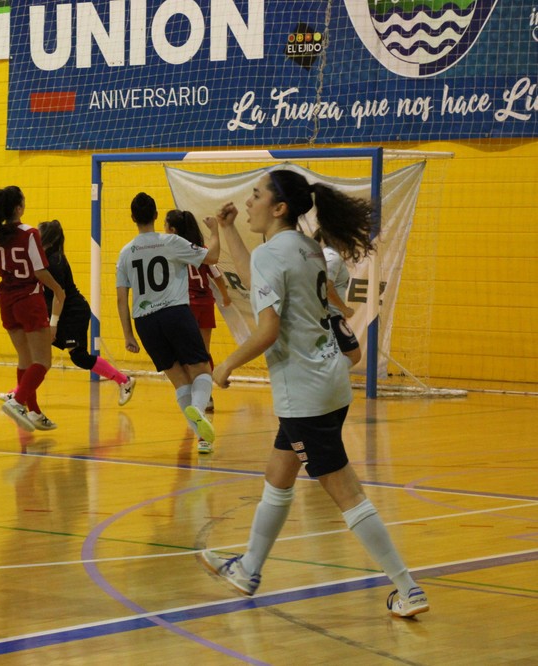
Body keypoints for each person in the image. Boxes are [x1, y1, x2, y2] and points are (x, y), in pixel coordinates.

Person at [199, 169, 428, 618]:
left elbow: (267, 328)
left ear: (279, 207)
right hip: (328, 382)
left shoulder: (277, 253)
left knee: (346, 493)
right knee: (278, 474)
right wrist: (225, 232)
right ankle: (247, 569)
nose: (248, 202)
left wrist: (225, 364)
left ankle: (408, 587)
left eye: (256, 195)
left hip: (303, 391)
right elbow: (257, 274)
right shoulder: (306, 249)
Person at [116, 193, 221, 454]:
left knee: (180, 382)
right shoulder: (172, 241)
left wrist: (128, 335)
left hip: (145, 323)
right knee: (202, 371)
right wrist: (216, 230)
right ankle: (199, 413)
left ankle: (203, 439)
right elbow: (213, 258)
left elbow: (121, 298)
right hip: (174, 314)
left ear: (132, 218)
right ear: (155, 215)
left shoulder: (125, 253)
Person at [0, 219, 136, 406]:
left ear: (46, 237)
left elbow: (58, 296)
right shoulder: (41, 258)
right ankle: (19, 393)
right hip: (59, 312)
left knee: (78, 357)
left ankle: (124, 381)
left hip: (72, 313)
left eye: (38, 234)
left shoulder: (55, 261)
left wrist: (53, 324)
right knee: (36, 352)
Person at [0, 186, 66, 432]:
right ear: (18, 208)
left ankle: (34, 412)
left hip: (7, 301)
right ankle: (17, 402)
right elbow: (39, 271)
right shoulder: (29, 233)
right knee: (43, 361)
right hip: (29, 299)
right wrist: (58, 289)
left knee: (25, 358)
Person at [163, 210, 233, 413]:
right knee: (204, 352)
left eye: (165, 226)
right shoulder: (201, 250)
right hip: (206, 304)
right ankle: (207, 397)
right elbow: (217, 275)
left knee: (186, 354)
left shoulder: (175, 250)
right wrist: (225, 296)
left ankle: (194, 396)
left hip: (188, 305)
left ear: (173, 230)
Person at [315, 228, 361, 367]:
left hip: (330, 315)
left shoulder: (328, 255)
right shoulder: (332, 256)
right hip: (331, 316)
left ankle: (325, 381)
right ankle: (324, 381)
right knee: (354, 355)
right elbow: (327, 286)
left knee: (334, 356)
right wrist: (344, 309)